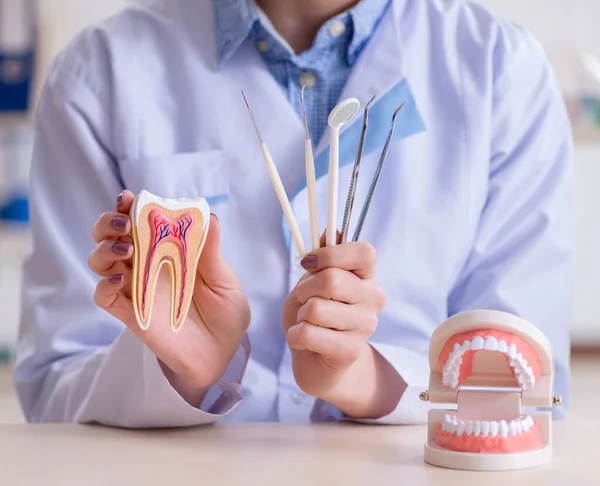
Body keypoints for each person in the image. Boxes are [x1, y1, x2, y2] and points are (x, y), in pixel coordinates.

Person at [13, 0, 574, 428]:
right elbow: (53, 388)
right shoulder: (98, 75)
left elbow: (524, 393)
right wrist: (186, 376)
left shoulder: (502, 73)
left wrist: (365, 380)